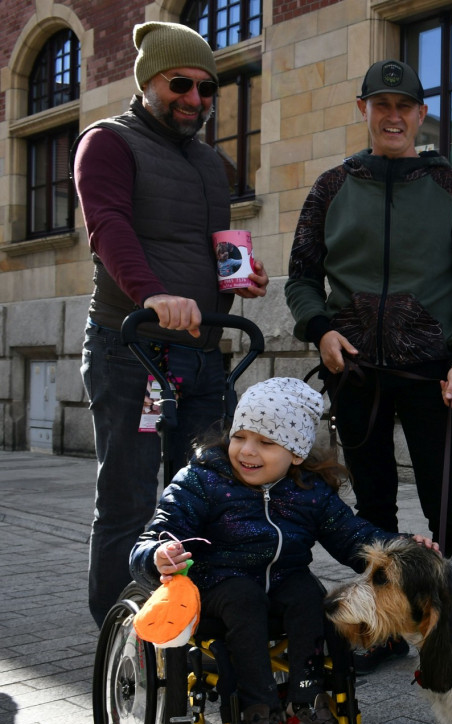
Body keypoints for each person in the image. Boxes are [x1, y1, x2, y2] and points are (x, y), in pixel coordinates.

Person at [285, 59, 452, 673]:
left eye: (404, 105)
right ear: (364, 111)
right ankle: (379, 630)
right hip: (355, 376)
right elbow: (300, 277)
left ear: (421, 114)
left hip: (432, 374)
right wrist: (320, 328)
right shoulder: (331, 186)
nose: (393, 115)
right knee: (372, 509)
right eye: (381, 104)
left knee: (448, 508)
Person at [130, 377, 437, 724]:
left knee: (313, 595)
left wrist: (406, 547)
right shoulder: (202, 480)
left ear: (295, 453)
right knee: (243, 596)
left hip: (281, 587)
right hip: (217, 592)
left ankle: (305, 703)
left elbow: (356, 538)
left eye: (266, 442)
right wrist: (158, 555)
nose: (247, 451)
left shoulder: (309, 491)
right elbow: (155, 535)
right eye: (240, 436)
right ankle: (259, 712)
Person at [73, 21, 270, 628]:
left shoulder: (212, 164)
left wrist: (241, 276)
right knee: (130, 500)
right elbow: (109, 229)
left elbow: (212, 243)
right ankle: (119, 635)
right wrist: (153, 294)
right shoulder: (107, 142)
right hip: (131, 348)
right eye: (180, 84)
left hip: (203, 353)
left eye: (207, 89)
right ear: (148, 81)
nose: (195, 99)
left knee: (209, 495)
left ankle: (195, 621)